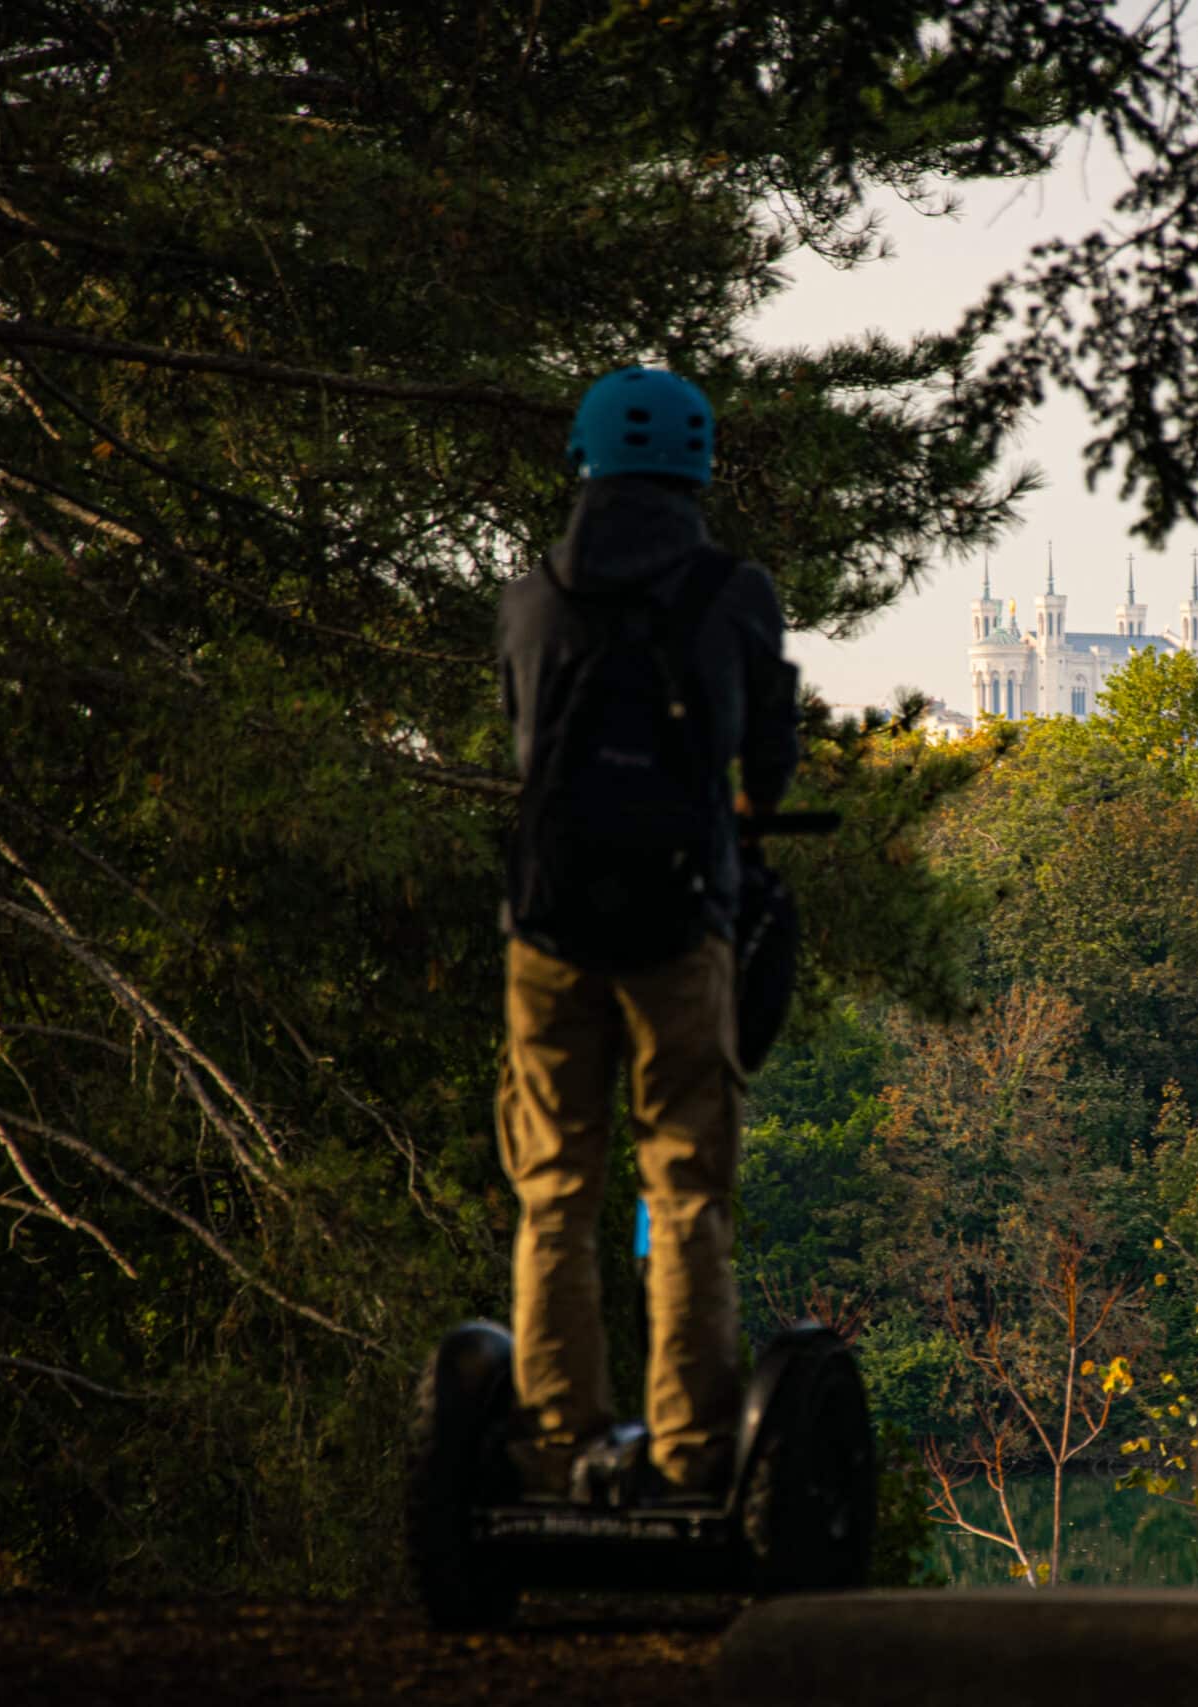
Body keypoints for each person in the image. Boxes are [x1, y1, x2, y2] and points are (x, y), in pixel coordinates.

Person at [495, 365, 797, 1504]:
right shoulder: (734, 594)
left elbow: (527, 750)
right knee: (681, 1189)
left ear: (585, 461)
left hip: (547, 930)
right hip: (682, 924)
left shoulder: (530, 595)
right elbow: (765, 760)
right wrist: (738, 832)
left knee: (556, 1189)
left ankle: (557, 1448)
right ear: (699, 465)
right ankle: (688, 1453)